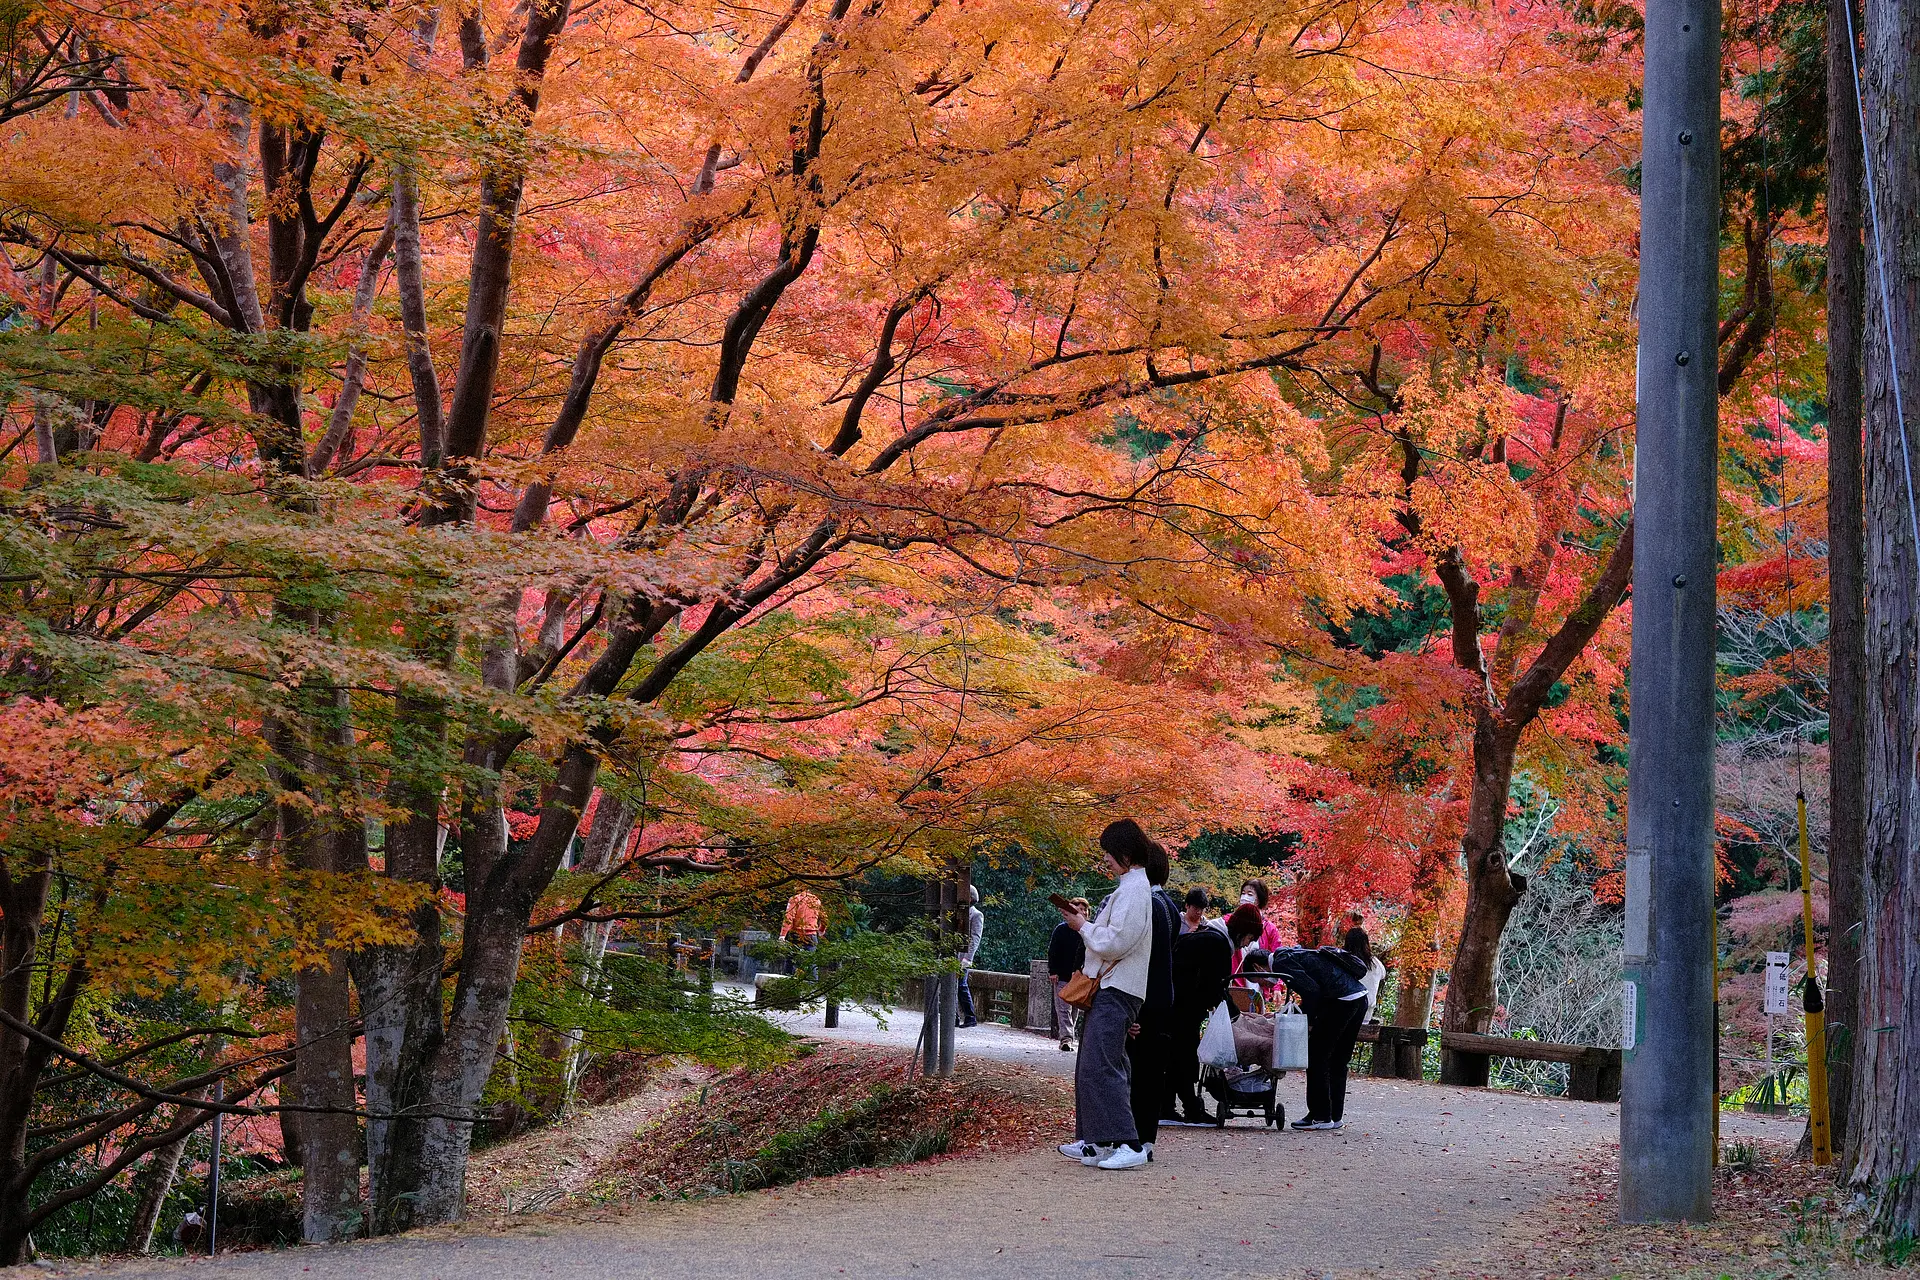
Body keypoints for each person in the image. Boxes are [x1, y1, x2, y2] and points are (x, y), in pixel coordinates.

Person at [1056, 819, 1157, 1171]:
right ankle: (1096, 1141)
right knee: (1094, 1062)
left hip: (1119, 987)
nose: (1106, 861)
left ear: (1125, 854)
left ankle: (1129, 1142)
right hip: (1116, 987)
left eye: (1110, 855)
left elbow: (1116, 942)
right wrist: (1084, 924)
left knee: (1103, 1064)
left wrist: (1082, 926)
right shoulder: (1131, 887)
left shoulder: (1134, 890)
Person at [1266, 944, 1369, 1130]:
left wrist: (1306, 1019)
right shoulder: (1295, 952)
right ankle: (1334, 1115)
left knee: (1316, 1056)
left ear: (1258, 967)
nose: (1265, 984)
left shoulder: (1281, 962)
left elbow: (1312, 990)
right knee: (1338, 1060)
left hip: (1340, 1001)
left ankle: (1320, 1115)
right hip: (1358, 996)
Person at [1127, 847, 1179, 1152]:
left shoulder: (1148, 904)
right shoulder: (1169, 906)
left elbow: (1141, 960)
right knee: (1151, 1071)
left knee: (1141, 1072)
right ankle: (1145, 1136)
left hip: (1145, 998)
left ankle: (1137, 1137)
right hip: (1163, 997)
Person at [1168, 887, 1234, 1122]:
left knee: (1182, 1050)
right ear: (1187, 906)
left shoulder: (1208, 929)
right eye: (1195, 908)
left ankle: (1179, 1104)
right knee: (1181, 1050)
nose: (1198, 913)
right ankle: (1183, 1105)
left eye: (1202, 909)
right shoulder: (1177, 923)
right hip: (1182, 993)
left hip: (1190, 995)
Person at [1048, 897, 1090, 1049]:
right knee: (1063, 1009)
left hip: (1081, 978)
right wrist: (1053, 971)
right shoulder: (1061, 930)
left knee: (1074, 1010)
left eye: (1085, 909)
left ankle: (1069, 1036)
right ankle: (1066, 1038)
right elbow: (1053, 951)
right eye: (1079, 909)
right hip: (1063, 976)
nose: (1083, 912)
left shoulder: (1089, 931)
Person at [957, 885, 984, 1027]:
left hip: (964, 957)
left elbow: (975, 938)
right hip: (955, 955)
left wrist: (968, 959)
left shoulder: (976, 915)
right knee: (954, 986)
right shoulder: (957, 913)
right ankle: (955, 1016)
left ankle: (970, 1017)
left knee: (961, 985)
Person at [779, 888, 824, 974]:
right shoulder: (816, 900)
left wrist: (783, 935)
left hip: (796, 934)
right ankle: (813, 985)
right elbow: (824, 917)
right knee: (812, 962)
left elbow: (788, 917)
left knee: (791, 960)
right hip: (811, 934)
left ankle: (788, 983)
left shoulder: (795, 899)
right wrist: (821, 929)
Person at [1238, 879, 1285, 952]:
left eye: (1250, 894)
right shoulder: (1232, 921)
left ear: (1259, 899)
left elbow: (1276, 955)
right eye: (1243, 893)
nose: (1244, 897)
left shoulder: (1269, 929)